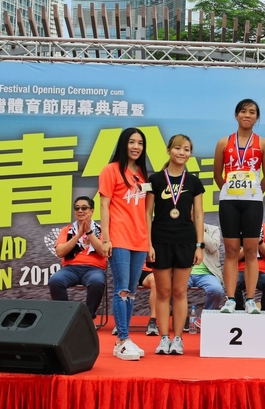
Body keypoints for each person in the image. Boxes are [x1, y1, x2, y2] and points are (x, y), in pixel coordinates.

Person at [146, 134, 205, 355]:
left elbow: (198, 215)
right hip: (160, 240)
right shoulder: (155, 180)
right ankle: (163, 338)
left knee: (180, 291)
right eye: (178, 148)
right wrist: (148, 244)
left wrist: (199, 245)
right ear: (169, 150)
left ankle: (178, 339)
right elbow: (147, 213)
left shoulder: (194, 182)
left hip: (185, 241)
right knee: (163, 291)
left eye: (187, 149)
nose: (182, 153)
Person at [214, 99, 265, 314]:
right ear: (236, 115)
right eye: (243, 111)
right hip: (229, 201)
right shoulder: (223, 142)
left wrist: (254, 192)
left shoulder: (263, 144)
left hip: (253, 202)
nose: (247, 115)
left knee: (250, 250)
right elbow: (217, 174)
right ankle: (230, 299)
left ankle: (250, 299)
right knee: (230, 251)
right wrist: (230, 191)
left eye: (252, 112)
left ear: (257, 117)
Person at [99, 127, 150, 361]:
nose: (136, 147)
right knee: (121, 289)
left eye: (140, 143)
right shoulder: (111, 170)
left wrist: (149, 242)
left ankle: (125, 339)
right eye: (131, 142)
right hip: (119, 237)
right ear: (123, 144)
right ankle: (122, 339)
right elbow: (104, 205)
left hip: (140, 239)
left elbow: (146, 211)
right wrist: (105, 238)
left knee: (131, 292)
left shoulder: (142, 174)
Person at [49, 196, 107, 320]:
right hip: (70, 269)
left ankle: (87, 318)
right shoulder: (67, 230)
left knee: (97, 282)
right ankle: (65, 318)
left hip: (94, 269)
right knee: (55, 280)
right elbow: (60, 252)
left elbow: (103, 252)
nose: (80, 211)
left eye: (84, 208)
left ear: (92, 211)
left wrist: (89, 233)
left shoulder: (102, 230)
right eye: (77, 208)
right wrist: (78, 235)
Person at [235, 222, 265, 311]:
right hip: (242, 270)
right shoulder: (236, 228)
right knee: (234, 283)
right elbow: (234, 258)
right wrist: (249, 243)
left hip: (262, 272)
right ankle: (238, 311)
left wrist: (259, 241)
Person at [187, 223, 224, 324]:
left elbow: (213, 247)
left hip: (207, 273)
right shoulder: (183, 227)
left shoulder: (214, 229)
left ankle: (206, 315)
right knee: (172, 289)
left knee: (217, 290)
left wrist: (200, 231)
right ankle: (184, 316)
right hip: (185, 271)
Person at [111, 262, 159, 337]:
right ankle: (121, 323)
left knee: (155, 281)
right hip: (130, 269)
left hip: (149, 271)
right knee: (124, 284)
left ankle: (153, 322)